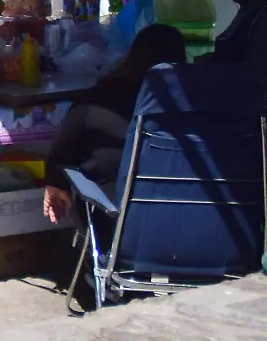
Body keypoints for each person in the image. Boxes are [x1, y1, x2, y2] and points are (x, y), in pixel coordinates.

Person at [42, 24, 190, 221]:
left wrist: (56, 183)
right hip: (184, 221)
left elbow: (61, 155)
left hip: (113, 223)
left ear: (132, 55)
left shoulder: (98, 102)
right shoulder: (196, 108)